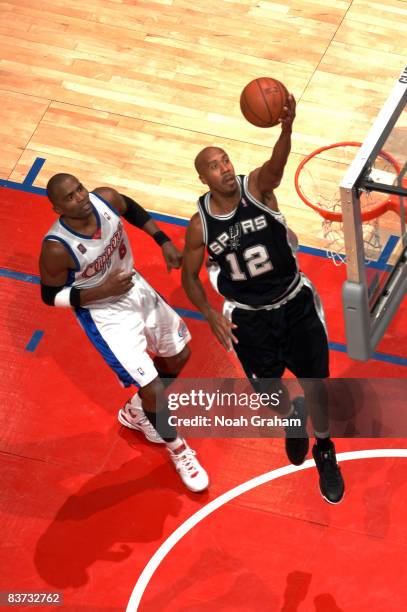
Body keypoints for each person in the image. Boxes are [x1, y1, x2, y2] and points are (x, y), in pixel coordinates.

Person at [181, 94, 344, 503]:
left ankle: (325, 449)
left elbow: (276, 166)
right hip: (248, 318)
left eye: (226, 161)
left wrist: (286, 129)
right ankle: (293, 419)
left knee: (317, 385)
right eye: (214, 166)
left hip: (294, 303)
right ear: (203, 178)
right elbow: (188, 276)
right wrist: (208, 313)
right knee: (268, 393)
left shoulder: (256, 188)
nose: (224, 169)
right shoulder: (199, 224)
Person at [39, 173, 208, 493]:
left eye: (80, 189)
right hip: (105, 316)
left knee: (181, 354)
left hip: (136, 289)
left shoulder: (105, 199)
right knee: (155, 389)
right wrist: (97, 290)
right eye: (71, 197)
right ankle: (179, 450)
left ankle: (137, 411)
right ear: (57, 208)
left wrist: (162, 240)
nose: (81, 197)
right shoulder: (56, 248)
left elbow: (129, 207)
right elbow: (49, 296)